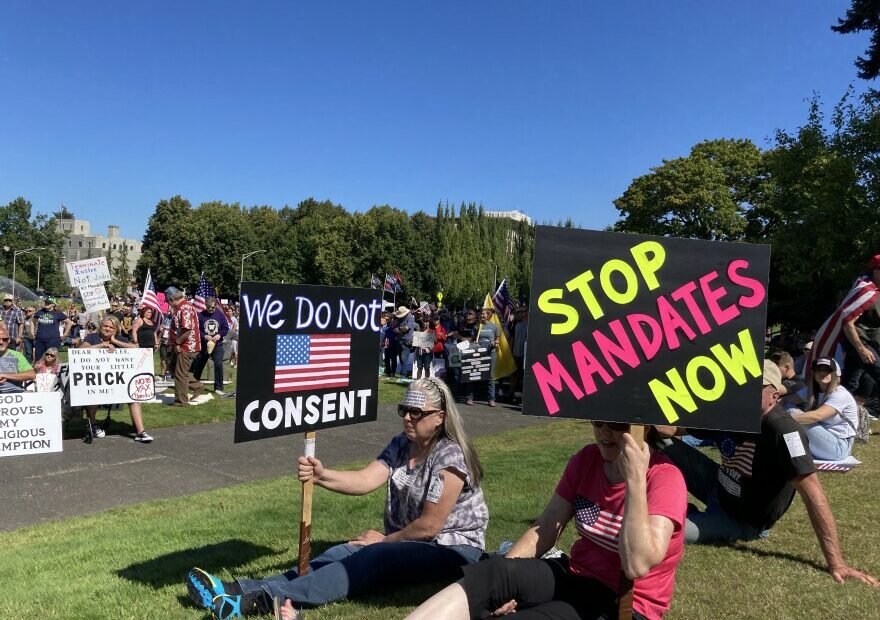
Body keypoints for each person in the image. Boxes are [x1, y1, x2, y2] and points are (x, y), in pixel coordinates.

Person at [186, 378, 489, 619]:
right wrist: (321, 475)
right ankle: (239, 589)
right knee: (343, 551)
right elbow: (366, 478)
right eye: (403, 410)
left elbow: (430, 526)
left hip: (453, 550)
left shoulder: (449, 456)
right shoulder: (402, 444)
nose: (407, 418)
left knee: (371, 556)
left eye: (416, 413)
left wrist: (383, 542)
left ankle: (261, 602)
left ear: (439, 418)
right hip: (410, 542)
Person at [406, 422, 686, 620]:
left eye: (615, 424)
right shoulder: (587, 460)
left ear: (643, 428)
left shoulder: (664, 477)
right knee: (494, 575)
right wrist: (505, 577)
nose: (603, 431)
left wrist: (635, 479)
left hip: (625, 602)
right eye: (597, 421)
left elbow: (637, 565)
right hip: (577, 575)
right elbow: (545, 527)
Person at [656, 361, 878, 586]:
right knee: (657, 439)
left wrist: (836, 563)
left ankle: (683, 513)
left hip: (741, 520)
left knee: (659, 533)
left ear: (774, 395)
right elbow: (673, 429)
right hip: (718, 485)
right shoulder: (732, 413)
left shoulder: (784, 431)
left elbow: (814, 496)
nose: (744, 392)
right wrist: (643, 421)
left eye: (754, 388)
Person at [79, 316, 153, 442]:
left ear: (115, 330)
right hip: (98, 380)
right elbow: (82, 349)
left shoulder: (120, 339)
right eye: (105, 326)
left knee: (133, 397)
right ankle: (93, 425)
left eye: (111, 327)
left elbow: (136, 348)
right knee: (92, 393)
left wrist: (115, 342)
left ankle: (140, 431)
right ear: (101, 326)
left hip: (118, 381)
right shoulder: (91, 337)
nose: (107, 329)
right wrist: (103, 345)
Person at [791, 358, 859, 460]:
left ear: (835, 374)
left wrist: (782, 420)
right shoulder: (813, 390)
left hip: (839, 447)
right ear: (814, 373)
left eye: (827, 370)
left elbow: (817, 416)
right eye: (818, 369)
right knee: (789, 408)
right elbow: (787, 400)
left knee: (797, 417)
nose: (822, 373)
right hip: (823, 441)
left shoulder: (840, 394)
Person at [166, 286, 203, 406]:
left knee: (180, 374)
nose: (168, 303)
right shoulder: (180, 308)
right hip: (181, 345)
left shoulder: (185, 307)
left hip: (186, 346)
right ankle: (197, 386)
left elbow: (187, 329)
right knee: (172, 368)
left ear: (172, 299)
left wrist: (177, 343)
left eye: (168, 301)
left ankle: (181, 402)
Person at [191, 296, 229, 395]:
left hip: (218, 345)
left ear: (216, 305)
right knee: (199, 365)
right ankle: (194, 384)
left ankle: (218, 387)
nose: (211, 309)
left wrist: (219, 335)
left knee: (218, 364)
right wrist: (204, 336)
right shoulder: (201, 315)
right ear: (205, 305)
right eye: (209, 307)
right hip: (204, 345)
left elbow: (225, 328)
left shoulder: (220, 315)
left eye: (213, 307)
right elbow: (197, 329)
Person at [465, 307, 500, 407]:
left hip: (490, 354)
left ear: (488, 315)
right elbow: (472, 339)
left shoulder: (494, 327)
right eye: (480, 314)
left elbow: (498, 340)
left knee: (490, 376)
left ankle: (491, 399)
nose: (482, 316)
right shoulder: (476, 327)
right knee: (473, 375)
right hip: (478, 354)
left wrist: (495, 343)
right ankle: (469, 397)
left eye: (484, 314)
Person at [33, 297, 73, 362]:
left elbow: (69, 323)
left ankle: (52, 372)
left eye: (49, 303)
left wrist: (65, 334)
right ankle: (39, 372)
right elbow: (32, 321)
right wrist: (32, 331)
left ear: (53, 304)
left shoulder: (58, 313)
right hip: (40, 340)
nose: (46, 303)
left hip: (53, 341)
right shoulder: (40, 312)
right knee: (39, 360)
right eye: (46, 302)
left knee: (52, 360)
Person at [0, 323, 35, 393]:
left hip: (15, 392)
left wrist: (5, 376)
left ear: (9, 340)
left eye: (4, 339)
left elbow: (31, 375)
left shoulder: (17, 355)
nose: (1, 342)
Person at [394, 305, 416, 378]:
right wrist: (400, 329)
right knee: (401, 358)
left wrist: (399, 329)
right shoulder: (400, 319)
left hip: (407, 341)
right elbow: (395, 329)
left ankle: (403, 375)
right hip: (400, 341)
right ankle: (403, 374)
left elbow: (406, 328)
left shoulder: (410, 318)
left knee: (404, 359)